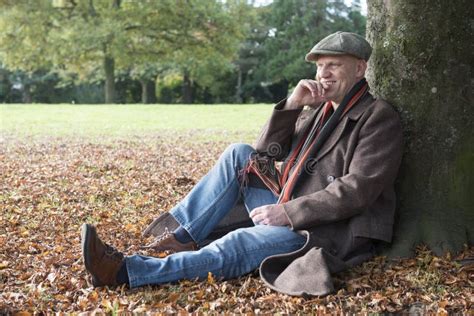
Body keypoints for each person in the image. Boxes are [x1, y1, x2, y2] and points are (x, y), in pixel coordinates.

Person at [81, 31, 403, 296]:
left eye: (334, 65)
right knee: (239, 154)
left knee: (238, 242)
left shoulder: (377, 117)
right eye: (321, 67)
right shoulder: (320, 109)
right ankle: (185, 236)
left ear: (360, 69)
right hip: (288, 203)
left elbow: (357, 190)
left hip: (325, 230)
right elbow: (264, 154)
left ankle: (126, 270)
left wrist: (287, 213)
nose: (323, 74)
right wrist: (291, 107)